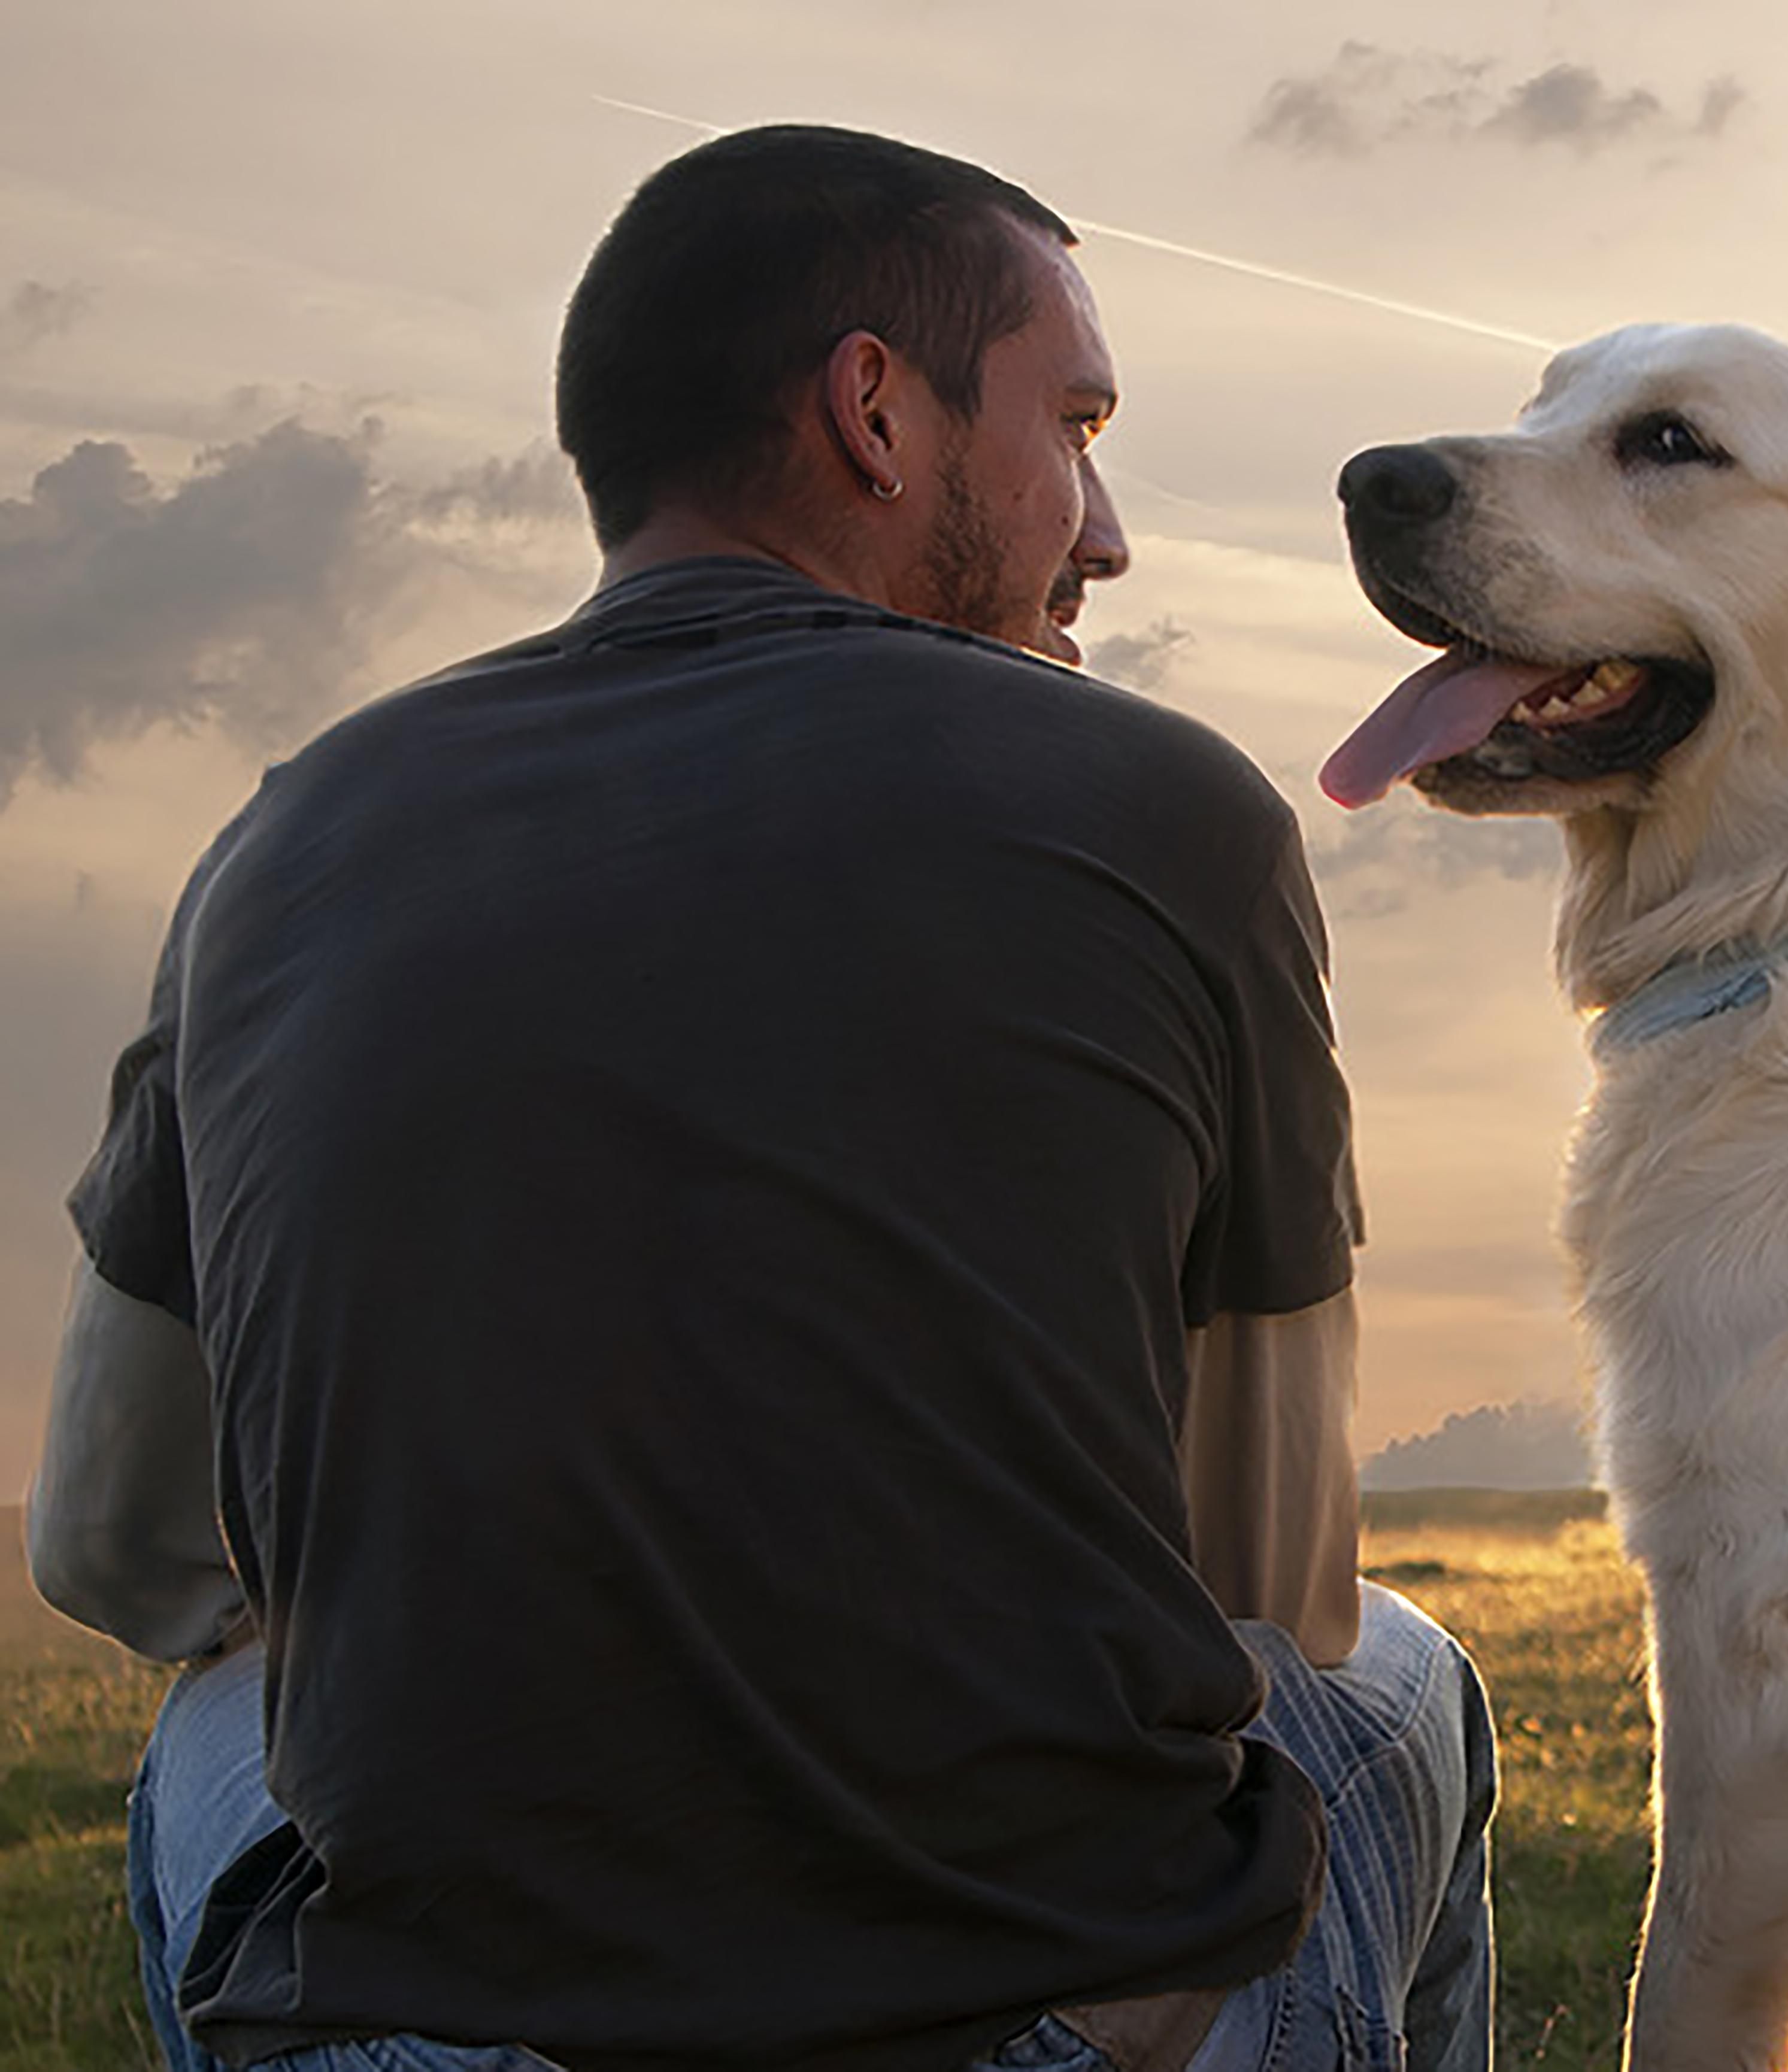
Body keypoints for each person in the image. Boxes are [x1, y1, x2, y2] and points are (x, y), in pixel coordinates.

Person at [23, 125, 1492, 2072]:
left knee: (222, 1715)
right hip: (1037, 2022)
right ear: (874, 411)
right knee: (1403, 1683)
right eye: (1076, 425)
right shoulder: (1166, 806)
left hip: (427, 2034)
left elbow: (117, 1551)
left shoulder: (281, 847)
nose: (1109, 531)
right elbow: (1276, 1587)